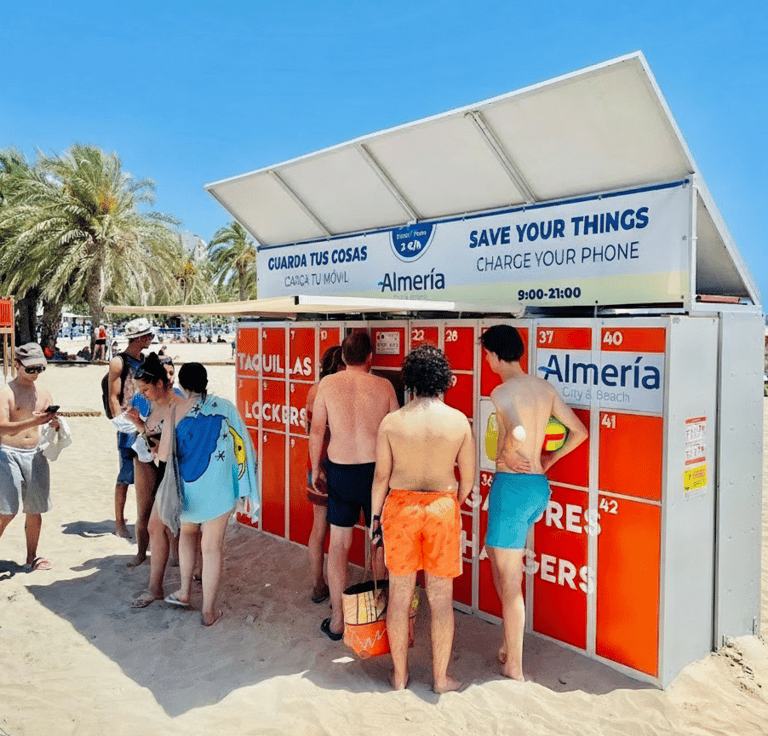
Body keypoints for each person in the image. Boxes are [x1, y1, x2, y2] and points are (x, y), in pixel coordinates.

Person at [480, 324, 588, 681]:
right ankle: (508, 646)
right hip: (537, 486)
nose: (486, 360)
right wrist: (549, 461)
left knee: (508, 580)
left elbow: (517, 431)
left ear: (495, 355)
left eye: (487, 353)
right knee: (499, 564)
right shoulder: (544, 387)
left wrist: (511, 451)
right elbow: (579, 432)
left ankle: (515, 666)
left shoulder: (502, 391)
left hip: (512, 487)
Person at [370, 345, 475, 692]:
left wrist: (374, 519)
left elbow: (381, 478)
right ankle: (441, 679)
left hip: (400, 506)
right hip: (442, 505)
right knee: (441, 599)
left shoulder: (392, 422)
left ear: (409, 381)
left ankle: (399, 677)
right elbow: (469, 479)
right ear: (443, 380)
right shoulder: (458, 421)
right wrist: (449, 505)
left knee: (400, 596)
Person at [309, 331, 398, 641]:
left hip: (341, 472)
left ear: (343, 358)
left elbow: (317, 429)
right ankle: (379, 608)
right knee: (378, 540)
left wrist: (315, 468)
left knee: (339, 545)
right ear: (370, 358)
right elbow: (395, 431)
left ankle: (338, 619)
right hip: (377, 473)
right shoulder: (384, 385)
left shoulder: (327, 385)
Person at [159, 363, 258, 626]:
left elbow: (162, 455)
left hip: (187, 490)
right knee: (212, 549)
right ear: (206, 381)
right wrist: (245, 485)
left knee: (187, 535)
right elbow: (245, 446)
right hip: (219, 491)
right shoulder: (225, 407)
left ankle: (184, 592)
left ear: (181, 384)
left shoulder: (175, 410)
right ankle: (209, 611)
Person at [127, 353, 186, 606]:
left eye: (146, 389)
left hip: (181, 472)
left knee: (169, 527)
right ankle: (157, 586)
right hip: (166, 471)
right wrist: (139, 423)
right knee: (161, 526)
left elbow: (179, 445)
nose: (143, 394)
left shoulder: (178, 406)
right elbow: (154, 438)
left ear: (160, 384)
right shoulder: (158, 404)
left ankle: (157, 587)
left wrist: (155, 442)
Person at [0, 344, 60, 571]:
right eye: (31, 369)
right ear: (17, 365)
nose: (35, 373)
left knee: (35, 509)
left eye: (40, 369)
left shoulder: (43, 393)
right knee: (6, 510)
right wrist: (33, 422)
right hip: (8, 454)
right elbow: (2, 427)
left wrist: (54, 424)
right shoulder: (6, 392)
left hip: (36, 454)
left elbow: (50, 428)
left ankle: (31, 557)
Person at [304, 345, 344, 604]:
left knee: (319, 527)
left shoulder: (313, 389)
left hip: (314, 465)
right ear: (340, 367)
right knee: (338, 531)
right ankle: (334, 584)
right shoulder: (335, 391)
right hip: (333, 465)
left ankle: (318, 583)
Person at [107, 318, 153, 538]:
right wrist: (121, 423)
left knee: (147, 472)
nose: (152, 339)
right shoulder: (119, 362)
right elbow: (113, 397)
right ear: (141, 338)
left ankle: (142, 521)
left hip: (145, 422)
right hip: (127, 424)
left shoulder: (145, 360)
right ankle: (119, 523)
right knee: (125, 475)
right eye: (149, 335)